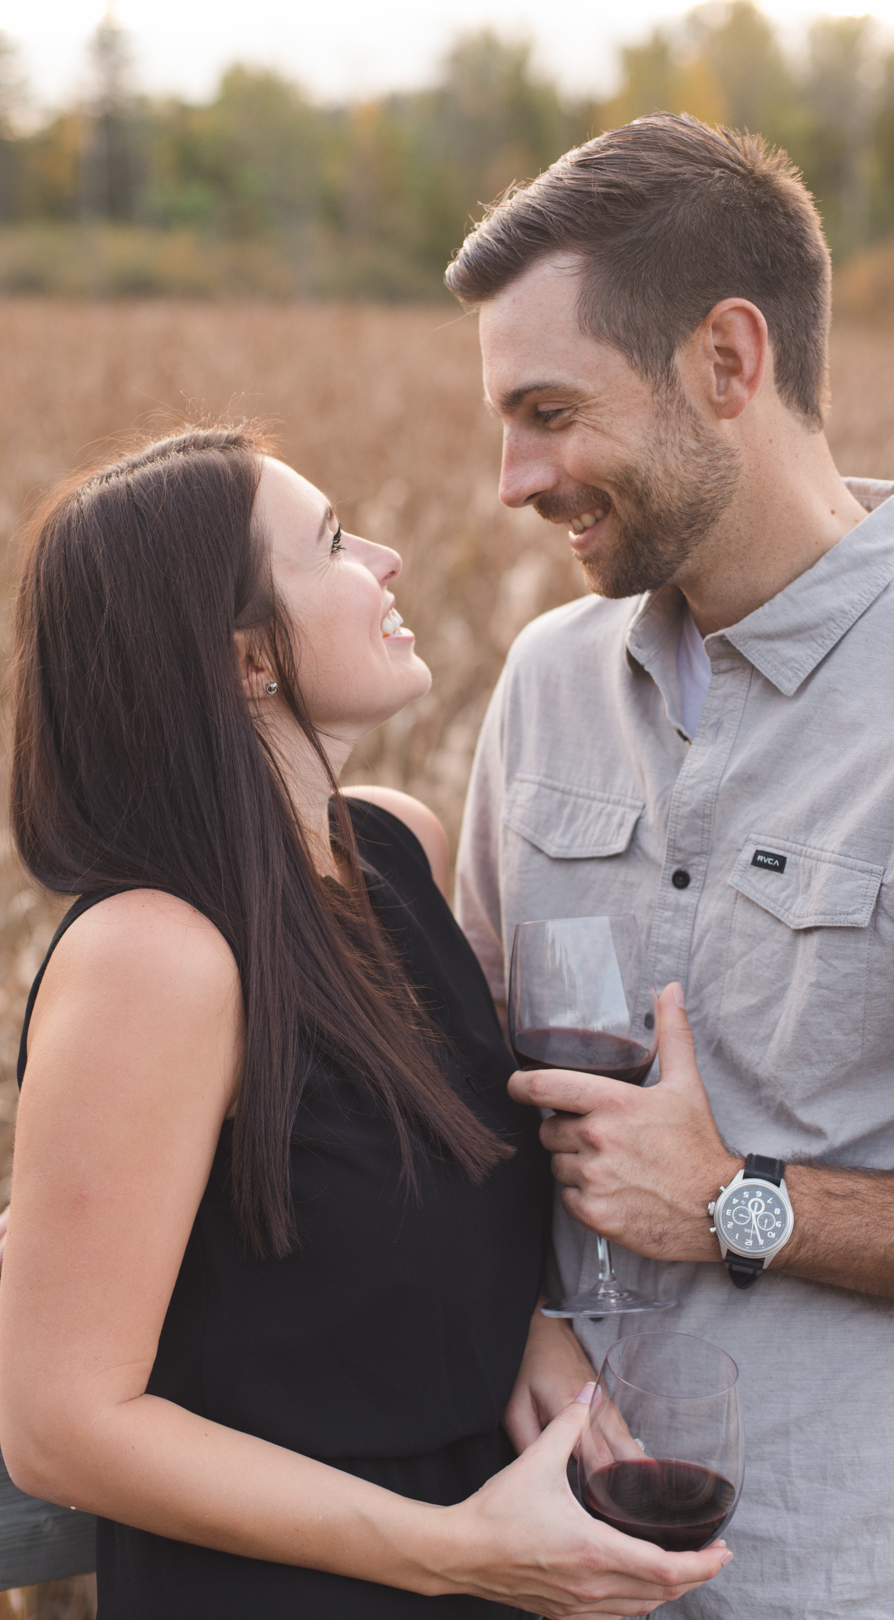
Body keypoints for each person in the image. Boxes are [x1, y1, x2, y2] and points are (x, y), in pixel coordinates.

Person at [0, 426, 729, 1618]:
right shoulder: (153, 958)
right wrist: (452, 1552)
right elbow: (61, 1433)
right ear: (243, 662)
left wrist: (524, 1325)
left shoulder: (391, 846)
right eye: (330, 544)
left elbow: (407, 1173)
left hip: (488, 1564)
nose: (382, 559)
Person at [448, 113, 894, 1619]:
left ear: (727, 361)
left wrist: (736, 1201)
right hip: (534, 1558)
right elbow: (452, 1090)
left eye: (551, 411)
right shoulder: (546, 681)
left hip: (832, 1573)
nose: (515, 477)